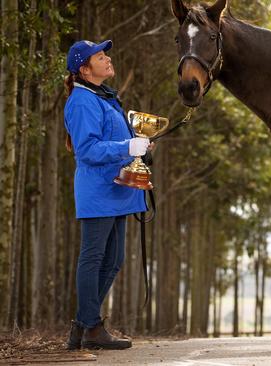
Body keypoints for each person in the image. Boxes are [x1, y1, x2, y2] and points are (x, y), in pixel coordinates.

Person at [63, 39, 150, 350]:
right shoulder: (83, 101)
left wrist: (138, 147)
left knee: (113, 260)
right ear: (85, 70)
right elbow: (87, 150)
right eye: (100, 57)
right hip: (98, 191)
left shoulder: (104, 97)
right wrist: (126, 147)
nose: (107, 59)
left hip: (116, 190)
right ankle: (90, 328)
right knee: (94, 257)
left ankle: (85, 325)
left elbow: (112, 141)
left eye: (105, 54)